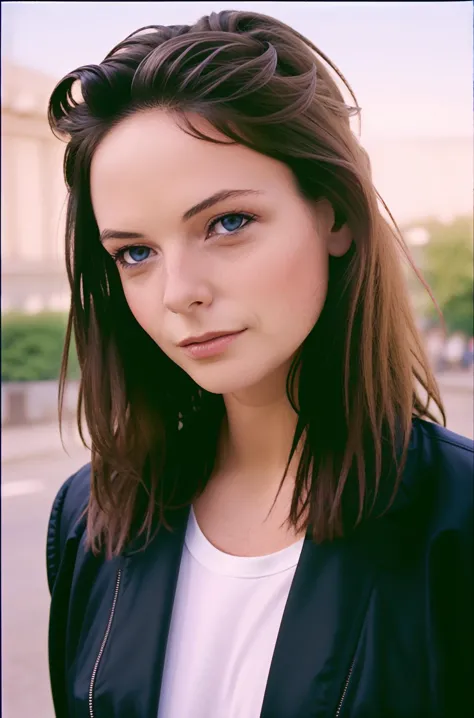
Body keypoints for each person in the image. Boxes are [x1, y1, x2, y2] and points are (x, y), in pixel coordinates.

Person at [46, 10, 473, 718]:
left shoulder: (455, 519)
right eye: (135, 253)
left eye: (228, 223)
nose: (179, 293)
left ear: (334, 214)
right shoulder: (88, 518)